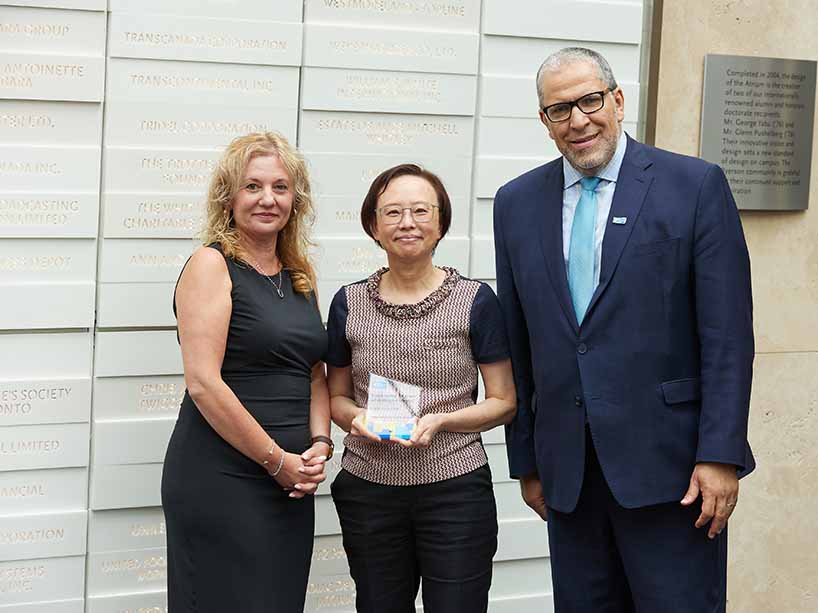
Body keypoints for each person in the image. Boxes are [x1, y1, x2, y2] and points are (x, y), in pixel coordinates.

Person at [493, 47, 755, 612]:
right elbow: (519, 342)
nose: (578, 120)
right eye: (559, 110)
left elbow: (728, 338)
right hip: (569, 478)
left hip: (675, 474)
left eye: (589, 100)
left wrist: (720, 454)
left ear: (616, 99)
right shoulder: (515, 204)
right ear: (544, 121)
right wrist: (528, 463)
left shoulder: (694, 185)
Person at [325, 163, 516, 613]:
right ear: (373, 225)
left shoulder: (475, 301)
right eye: (392, 212)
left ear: (440, 222)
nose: (406, 223)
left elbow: (504, 402)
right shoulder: (347, 303)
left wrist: (444, 419)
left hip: (454, 489)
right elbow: (335, 398)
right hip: (369, 490)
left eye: (419, 211)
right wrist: (358, 419)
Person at [161, 132, 332, 612]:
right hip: (222, 479)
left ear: (295, 200)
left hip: (292, 484)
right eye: (252, 186)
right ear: (228, 196)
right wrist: (276, 461)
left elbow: (314, 372)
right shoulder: (210, 264)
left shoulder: (299, 274)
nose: (267, 199)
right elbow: (203, 383)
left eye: (280, 187)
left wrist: (318, 445)